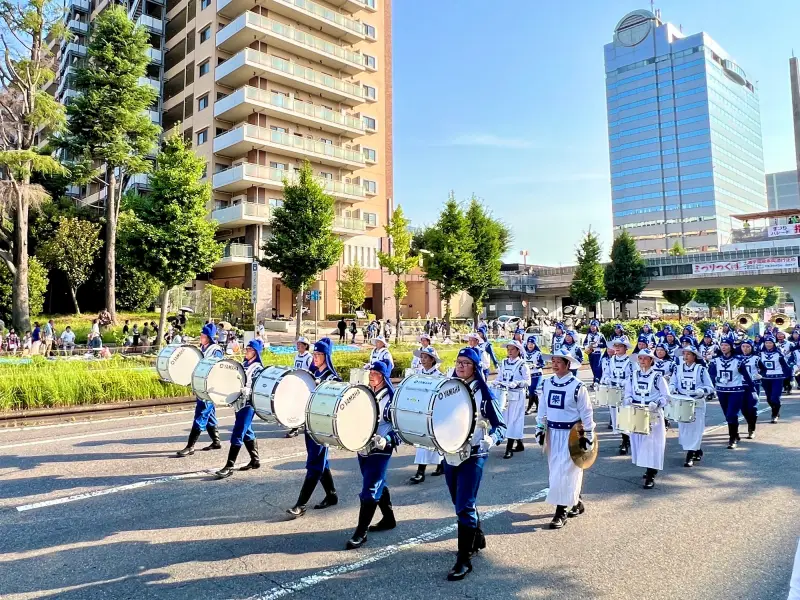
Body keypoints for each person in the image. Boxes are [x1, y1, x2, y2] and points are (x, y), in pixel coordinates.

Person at [442, 346, 506, 581]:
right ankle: (476, 537)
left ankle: (464, 560)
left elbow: (501, 426)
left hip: (474, 454)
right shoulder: (449, 389)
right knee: (458, 500)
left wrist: (492, 439)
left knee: (464, 505)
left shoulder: (484, 394)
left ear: (475, 367)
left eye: (466, 363)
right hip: (450, 453)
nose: (460, 366)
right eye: (458, 362)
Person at [536, 348, 594, 528]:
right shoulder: (547, 383)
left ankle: (561, 511)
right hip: (553, 433)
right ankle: (576, 501)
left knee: (568, 470)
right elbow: (542, 408)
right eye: (553, 361)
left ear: (568, 364)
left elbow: (586, 412)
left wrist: (589, 435)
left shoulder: (577, 386)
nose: (554, 364)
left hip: (573, 434)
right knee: (556, 470)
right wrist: (539, 428)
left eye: (558, 362)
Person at [346, 359, 401, 549]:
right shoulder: (366, 392)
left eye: (376, 373)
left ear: (384, 377)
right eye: (371, 373)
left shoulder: (392, 399)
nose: (372, 376)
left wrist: (388, 439)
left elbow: (400, 428)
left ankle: (360, 533)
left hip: (381, 448)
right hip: (363, 446)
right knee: (377, 482)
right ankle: (389, 519)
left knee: (370, 489)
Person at [287, 338, 340, 517]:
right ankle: (331, 495)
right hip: (310, 424)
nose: (315, 357)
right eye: (314, 354)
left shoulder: (332, 379)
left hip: (322, 427)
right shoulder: (313, 374)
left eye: (319, 354)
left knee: (314, 464)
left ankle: (300, 504)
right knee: (320, 461)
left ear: (326, 356)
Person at [214, 339, 264, 479]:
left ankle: (229, 466)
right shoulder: (244, 364)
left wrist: (248, 390)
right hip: (239, 402)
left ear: (255, 352)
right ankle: (255, 460)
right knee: (247, 431)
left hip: (248, 404)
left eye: (249, 349)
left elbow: (257, 387)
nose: (246, 351)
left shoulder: (258, 368)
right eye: (246, 348)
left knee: (238, 431)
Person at [623, 349, 670, 489]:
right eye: (640, 358)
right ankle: (648, 467)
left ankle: (651, 473)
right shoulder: (633, 376)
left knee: (652, 444)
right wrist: (628, 399)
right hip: (637, 412)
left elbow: (666, 396)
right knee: (640, 443)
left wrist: (658, 403)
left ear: (651, 361)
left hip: (653, 413)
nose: (642, 361)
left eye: (645, 358)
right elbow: (628, 392)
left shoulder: (658, 377)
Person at [176, 323, 224, 457]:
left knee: (201, 414)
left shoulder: (215, 350)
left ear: (209, 337)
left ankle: (190, 446)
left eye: (203, 335)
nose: (200, 337)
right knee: (210, 414)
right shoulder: (202, 348)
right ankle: (216, 441)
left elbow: (216, 367)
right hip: (201, 385)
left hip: (208, 388)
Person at [669, 346, 714, 467]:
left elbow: (710, 387)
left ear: (694, 356)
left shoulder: (701, 369)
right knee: (684, 429)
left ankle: (690, 454)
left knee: (696, 428)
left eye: (688, 354)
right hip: (682, 403)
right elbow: (673, 382)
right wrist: (671, 387)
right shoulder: (678, 368)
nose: (685, 356)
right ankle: (696, 450)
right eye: (684, 354)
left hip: (697, 403)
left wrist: (702, 391)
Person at [708, 337, 756, 448]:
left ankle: (732, 438)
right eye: (722, 345)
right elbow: (711, 375)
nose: (723, 347)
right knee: (727, 415)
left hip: (736, 391)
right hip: (721, 391)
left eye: (726, 345)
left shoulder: (738, 361)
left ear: (731, 347)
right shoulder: (715, 361)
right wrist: (712, 386)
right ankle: (736, 433)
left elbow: (746, 376)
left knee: (732, 414)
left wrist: (753, 390)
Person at [409, 347, 445, 483]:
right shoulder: (418, 374)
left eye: (425, 357)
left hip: (434, 412)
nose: (422, 360)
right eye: (421, 357)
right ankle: (423, 470)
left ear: (432, 360)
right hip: (421, 411)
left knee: (435, 439)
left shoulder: (440, 376)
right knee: (423, 440)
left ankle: (434, 467)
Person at [497, 340, 531, 459]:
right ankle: (519, 443)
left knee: (514, 419)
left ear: (518, 351)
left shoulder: (522, 364)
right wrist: (497, 382)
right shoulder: (503, 362)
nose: (510, 351)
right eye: (508, 349)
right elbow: (500, 377)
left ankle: (509, 448)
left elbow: (528, 381)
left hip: (517, 395)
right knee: (505, 418)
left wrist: (517, 383)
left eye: (512, 349)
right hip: (505, 394)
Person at [600, 338, 634, 453]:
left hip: (626, 392)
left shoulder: (630, 361)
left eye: (620, 346)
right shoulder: (611, 360)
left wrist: (626, 382)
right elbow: (606, 373)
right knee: (616, 416)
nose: (617, 348)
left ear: (625, 348)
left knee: (625, 415)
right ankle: (624, 438)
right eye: (616, 346)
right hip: (614, 391)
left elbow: (634, 375)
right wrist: (606, 379)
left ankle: (625, 441)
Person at [286, 337, 313, 438]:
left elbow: (311, 371)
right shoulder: (297, 356)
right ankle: (296, 425)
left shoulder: (308, 357)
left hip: (305, 384)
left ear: (306, 346)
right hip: (296, 383)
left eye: (301, 344)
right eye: (298, 344)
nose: (298, 346)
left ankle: (298, 426)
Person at [761, 335, 792, 424]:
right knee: (769, 399)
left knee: (775, 397)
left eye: (770, 343)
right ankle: (776, 408)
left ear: (774, 344)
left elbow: (786, 366)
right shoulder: (760, 354)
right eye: (766, 343)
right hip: (765, 378)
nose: (768, 344)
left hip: (777, 378)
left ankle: (774, 414)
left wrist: (789, 378)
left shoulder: (779, 354)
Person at [523, 335, 545, 414]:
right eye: (529, 343)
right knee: (531, 391)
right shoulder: (524, 353)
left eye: (532, 344)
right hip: (528, 375)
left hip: (537, 375)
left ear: (535, 344)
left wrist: (535, 366)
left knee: (533, 390)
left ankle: (529, 408)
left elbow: (543, 364)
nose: (530, 345)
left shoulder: (538, 353)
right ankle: (539, 407)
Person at [583, 320, 606, 391]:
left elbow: (605, 344)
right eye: (591, 326)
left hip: (597, 353)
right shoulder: (588, 335)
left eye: (594, 326)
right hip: (590, 353)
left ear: (597, 327)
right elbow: (584, 343)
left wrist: (597, 345)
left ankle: (597, 381)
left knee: (597, 368)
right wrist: (587, 346)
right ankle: (595, 380)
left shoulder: (600, 335)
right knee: (593, 368)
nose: (592, 327)